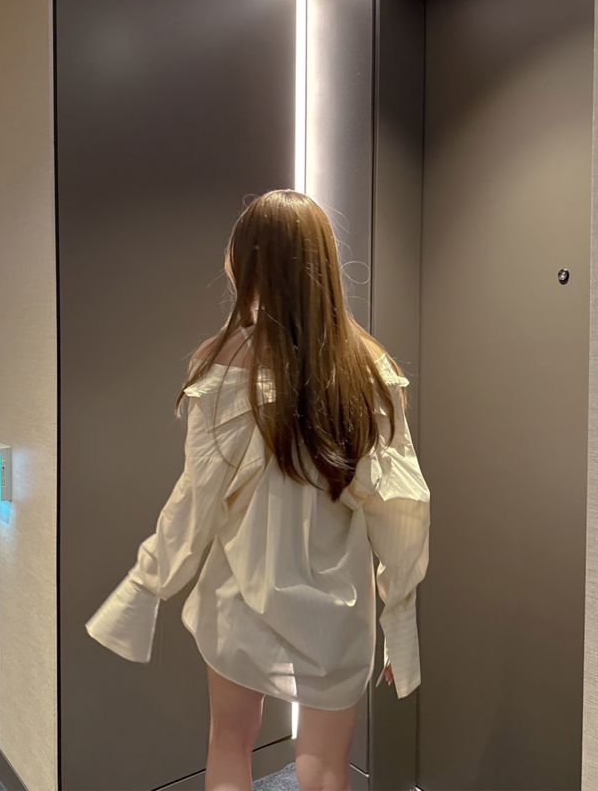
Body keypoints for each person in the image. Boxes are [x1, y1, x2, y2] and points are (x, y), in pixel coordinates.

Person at [85, 189, 431, 791]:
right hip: (337, 604)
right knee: (324, 767)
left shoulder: (221, 362)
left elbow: (194, 501)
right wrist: (399, 614)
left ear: (247, 263)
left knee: (228, 743)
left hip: (237, 595)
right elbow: (401, 508)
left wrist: (147, 583)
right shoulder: (371, 369)